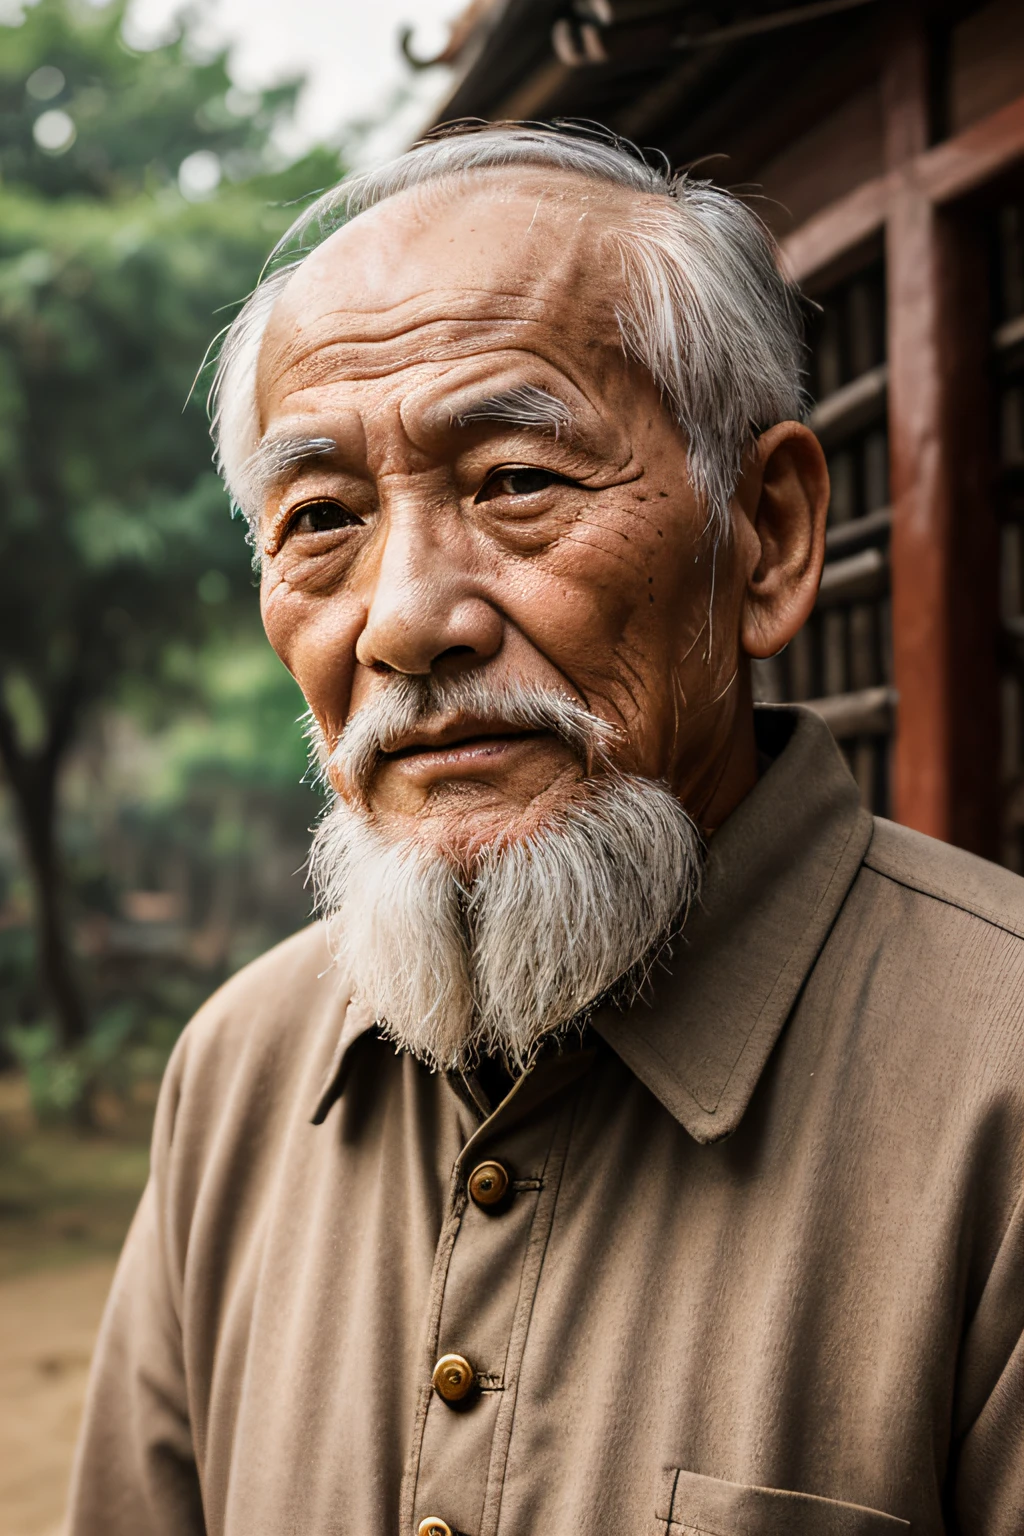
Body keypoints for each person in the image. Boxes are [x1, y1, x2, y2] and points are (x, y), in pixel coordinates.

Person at [67, 124, 1023, 1536]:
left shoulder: (999, 1085)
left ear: (765, 535)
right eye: (321, 516)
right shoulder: (239, 1073)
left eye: (517, 481)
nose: (402, 623)